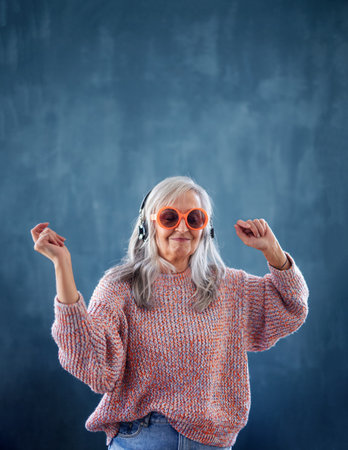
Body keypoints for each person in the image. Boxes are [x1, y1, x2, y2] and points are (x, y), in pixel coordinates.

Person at [31, 176, 309, 450]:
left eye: (195, 218)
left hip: (212, 443)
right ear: (147, 226)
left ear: (206, 229)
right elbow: (92, 364)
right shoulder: (119, 287)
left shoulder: (229, 286)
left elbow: (291, 306)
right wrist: (62, 265)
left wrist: (273, 251)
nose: (183, 227)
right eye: (169, 217)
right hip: (142, 439)